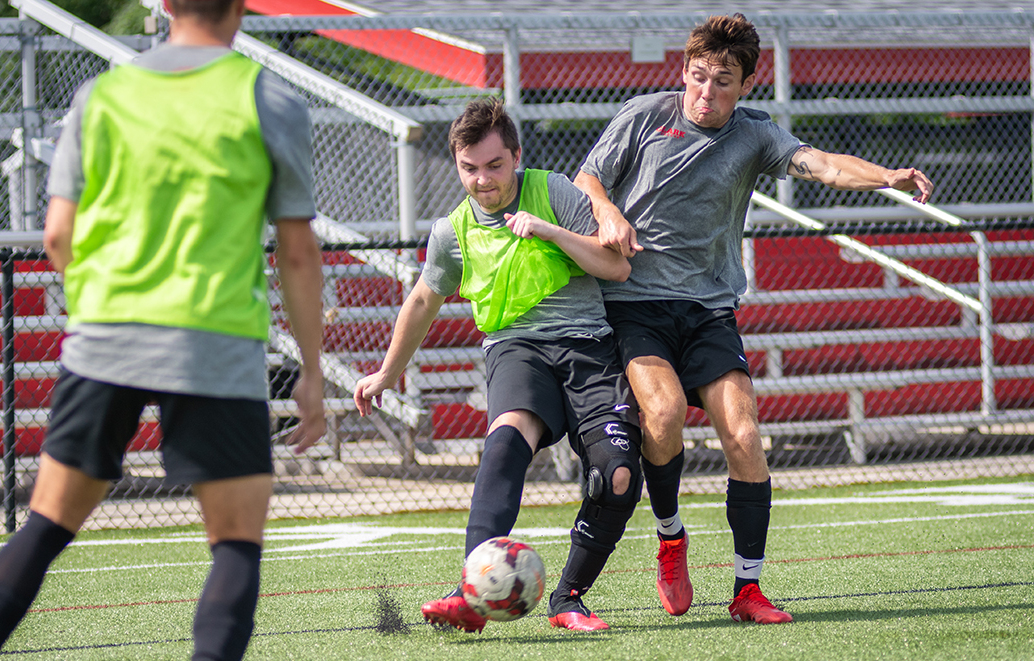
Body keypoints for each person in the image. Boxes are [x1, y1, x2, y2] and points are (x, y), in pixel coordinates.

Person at [0, 1, 326, 659]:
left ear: (161, 4)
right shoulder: (269, 99)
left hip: (104, 338)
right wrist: (312, 373)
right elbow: (297, 253)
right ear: (241, 5)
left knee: (45, 522)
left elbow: (57, 236)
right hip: (214, 342)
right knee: (235, 544)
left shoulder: (99, 98)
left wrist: (106, 303)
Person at [575, 13, 935, 625]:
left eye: (722, 81)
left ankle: (748, 590)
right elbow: (585, 177)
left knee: (744, 436)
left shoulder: (755, 134)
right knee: (660, 415)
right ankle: (670, 537)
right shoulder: (643, 115)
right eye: (697, 77)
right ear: (682, 73)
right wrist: (607, 210)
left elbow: (819, 163)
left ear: (745, 85)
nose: (706, 92)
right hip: (635, 305)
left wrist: (887, 178)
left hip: (710, 311)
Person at [354, 98, 643, 633]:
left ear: (515, 156)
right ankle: (470, 592)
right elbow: (422, 300)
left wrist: (551, 231)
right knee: (505, 441)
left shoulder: (555, 191)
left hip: (589, 347)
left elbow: (616, 266)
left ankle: (569, 599)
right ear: (458, 165)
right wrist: (386, 373)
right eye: (470, 168)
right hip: (517, 348)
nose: (483, 180)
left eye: (494, 165)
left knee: (619, 476)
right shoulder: (452, 232)